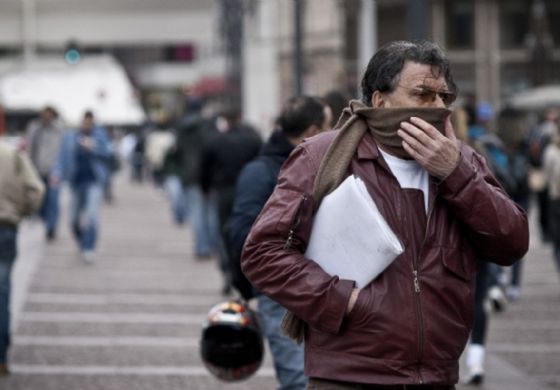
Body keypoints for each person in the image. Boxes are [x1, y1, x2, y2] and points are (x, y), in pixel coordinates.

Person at [241, 40, 529, 389]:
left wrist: (455, 173)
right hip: (350, 375)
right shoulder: (322, 157)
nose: (437, 107)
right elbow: (262, 253)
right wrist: (344, 300)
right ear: (380, 100)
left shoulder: (463, 161)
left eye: (444, 97)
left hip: (436, 376)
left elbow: (512, 242)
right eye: (423, 94)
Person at [228, 96, 332, 390]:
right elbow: (240, 235)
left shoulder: (318, 166)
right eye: (328, 125)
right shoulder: (261, 172)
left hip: (320, 287)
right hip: (281, 290)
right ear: (313, 131)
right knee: (299, 380)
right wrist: (251, 287)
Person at [199, 105, 262, 295]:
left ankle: (228, 271)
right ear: (240, 117)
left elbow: (205, 168)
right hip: (249, 191)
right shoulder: (253, 140)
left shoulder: (217, 141)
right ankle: (247, 271)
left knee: (224, 234)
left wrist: (206, 188)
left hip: (224, 192)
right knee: (249, 232)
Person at [0, 139, 44, 375]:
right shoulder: (13, 154)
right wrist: (23, 212)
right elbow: (36, 190)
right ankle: (1, 357)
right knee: (2, 293)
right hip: (5, 227)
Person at [51, 111, 112, 263]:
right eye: (85, 122)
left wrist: (93, 148)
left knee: (92, 217)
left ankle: (89, 246)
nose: (87, 125)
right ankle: (82, 240)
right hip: (76, 182)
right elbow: (62, 157)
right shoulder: (71, 137)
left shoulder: (99, 136)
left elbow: (110, 154)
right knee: (72, 220)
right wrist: (57, 173)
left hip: (94, 181)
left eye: (90, 123)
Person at [25, 105, 65, 241]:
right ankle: (42, 218)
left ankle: (51, 227)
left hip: (54, 170)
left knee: (53, 199)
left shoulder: (59, 129)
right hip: (37, 168)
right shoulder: (35, 127)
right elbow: (29, 147)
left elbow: (62, 150)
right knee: (40, 198)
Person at [544, 133, 560, 273]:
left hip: (555, 198)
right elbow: (547, 174)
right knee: (557, 239)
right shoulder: (551, 151)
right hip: (555, 199)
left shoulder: (551, 151)